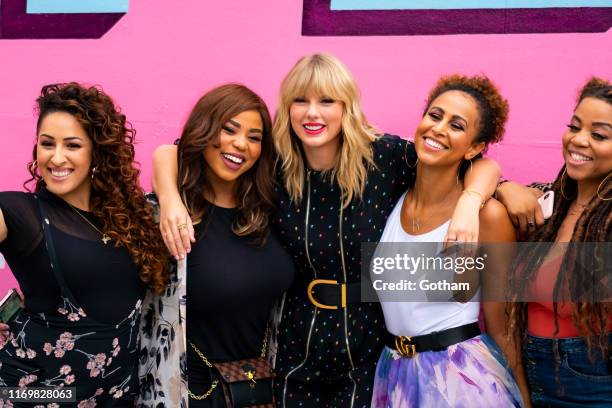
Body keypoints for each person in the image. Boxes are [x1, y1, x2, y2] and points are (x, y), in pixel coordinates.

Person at [153, 54, 501, 407]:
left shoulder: (386, 158)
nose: (312, 113)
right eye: (300, 100)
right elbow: (172, 151)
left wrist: (472, 201)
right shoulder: (275, 165)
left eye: (327, 101)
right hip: (294, 341)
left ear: (346, 107)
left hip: (366, 341)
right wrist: (169, 198)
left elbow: (476, 163)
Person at [0, 83, 168, 407]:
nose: (57, 157)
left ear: (96, 152)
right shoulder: (22, 212)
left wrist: (171, 200)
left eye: (73, 145)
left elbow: (172, 155)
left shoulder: (126, 217)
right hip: (39, 395)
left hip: (118, 397)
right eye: (46, 144)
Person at [371, 74, 528, 407]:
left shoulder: (489, 218)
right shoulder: (391, 194)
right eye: (434, 115)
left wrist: (523, 399)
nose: (438, 129)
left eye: (457, 126)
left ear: (474, 147)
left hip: (460, 381)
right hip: (393, 373)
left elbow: (504, 327)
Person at [137, 84, 295, 407]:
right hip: (192, 392)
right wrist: (169, 198)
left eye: (254, 137)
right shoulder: (167, 217)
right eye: (229, 129)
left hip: (255, 387)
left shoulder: (267, 209)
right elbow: (167, 151)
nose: (241, 144)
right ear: (204, 130)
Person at [499, 77, 612, 407]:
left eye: (599, 135)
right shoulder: (550, 202)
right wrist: (505, 187)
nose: (578, 140)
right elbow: (476, 168)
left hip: (591, 386)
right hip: (530, 375)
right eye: (574, 126)